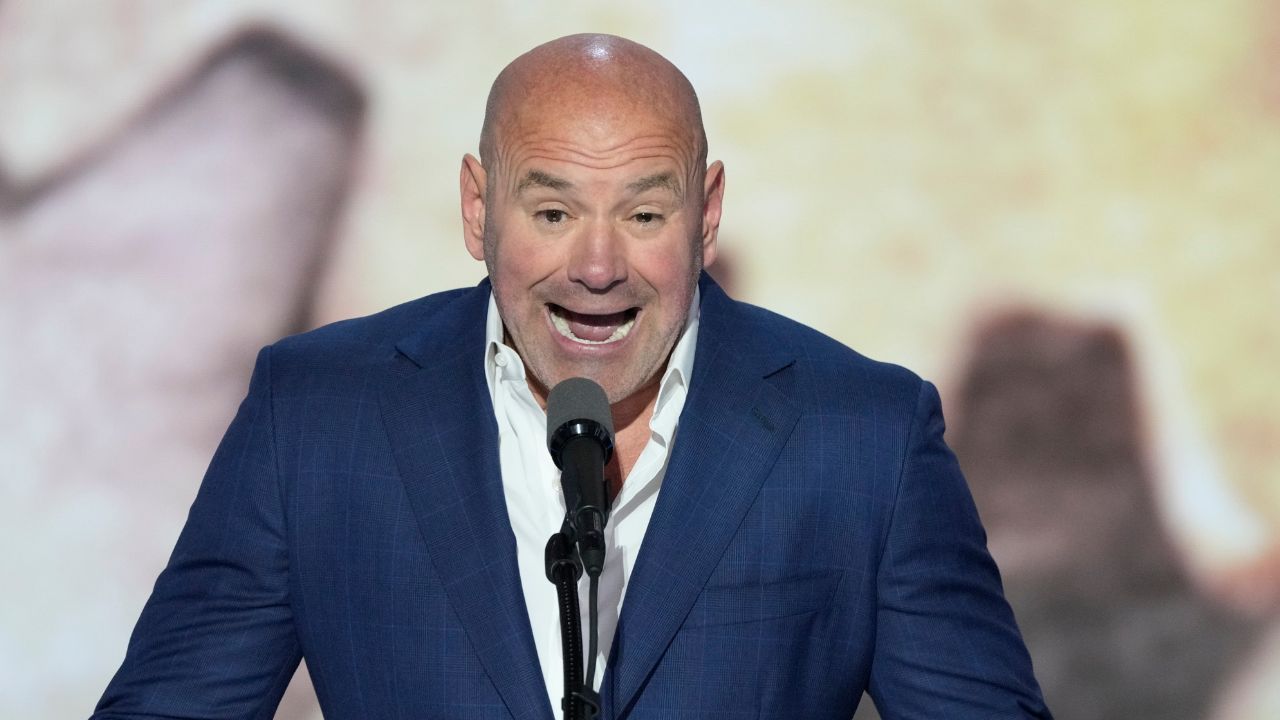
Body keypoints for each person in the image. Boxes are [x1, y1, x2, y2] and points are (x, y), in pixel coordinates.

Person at [93, 34, 1051, 719]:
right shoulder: (316, 416)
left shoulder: (866, 437)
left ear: (707, 212)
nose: (598, 267)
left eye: (644, 215)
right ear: (479, 209)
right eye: (552, 214)